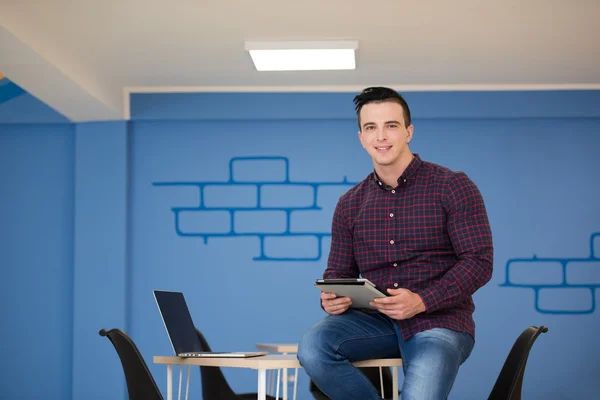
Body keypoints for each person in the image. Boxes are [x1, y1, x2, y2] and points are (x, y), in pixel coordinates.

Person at [297, 87, 494, 400]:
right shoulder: (349, 204)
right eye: (371, 128)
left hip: (438, 322)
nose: (381, 137)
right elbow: (338, 271)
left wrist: (421, 300)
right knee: (313, 346)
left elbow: (478, 262)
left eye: (391, 125)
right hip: (373, 323)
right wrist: (332, 297)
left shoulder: (452, 185)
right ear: (361, 137)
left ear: (408, 132)